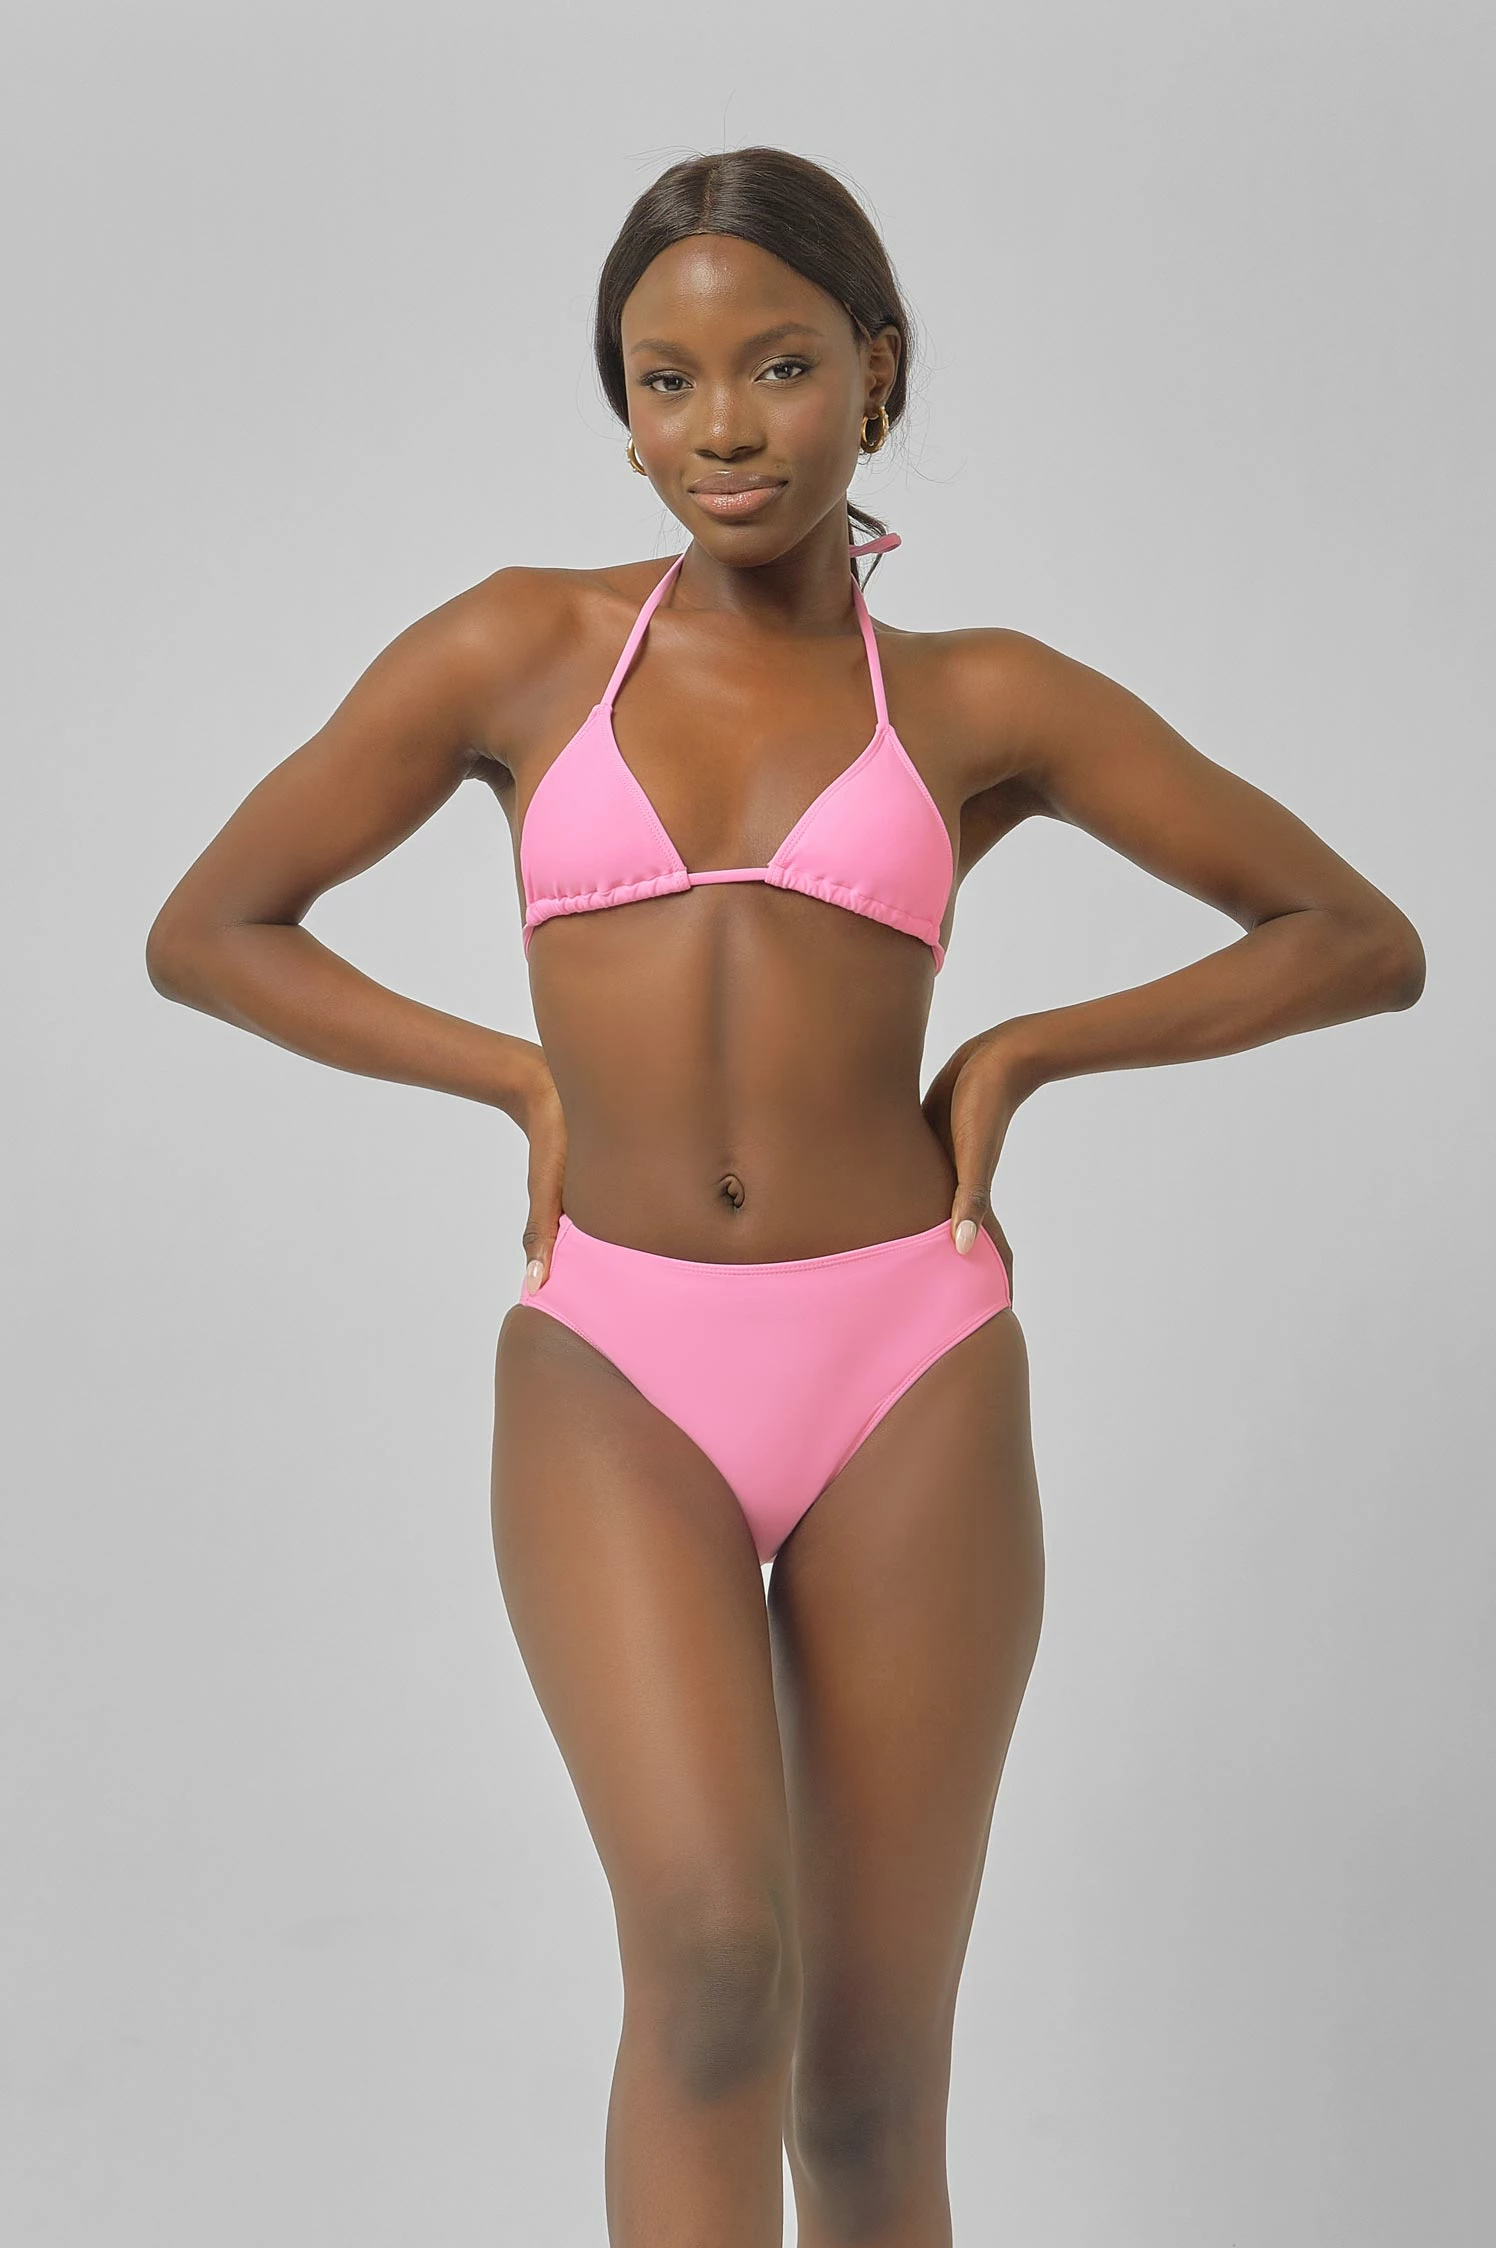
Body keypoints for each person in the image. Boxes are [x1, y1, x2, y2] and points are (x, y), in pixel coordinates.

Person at [145, 145, 1425, 2248]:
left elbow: (1354, 938)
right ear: (622, 408)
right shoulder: (520, 647)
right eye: (663, 381)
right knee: (714, 1959)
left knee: (866, 2084)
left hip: (908, 1363)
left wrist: (1022, 1052)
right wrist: (513, 1077)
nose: (721, 428)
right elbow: (212, 929)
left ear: (877, 373)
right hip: (615, 1355)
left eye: (779, 366)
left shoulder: (978, 697)